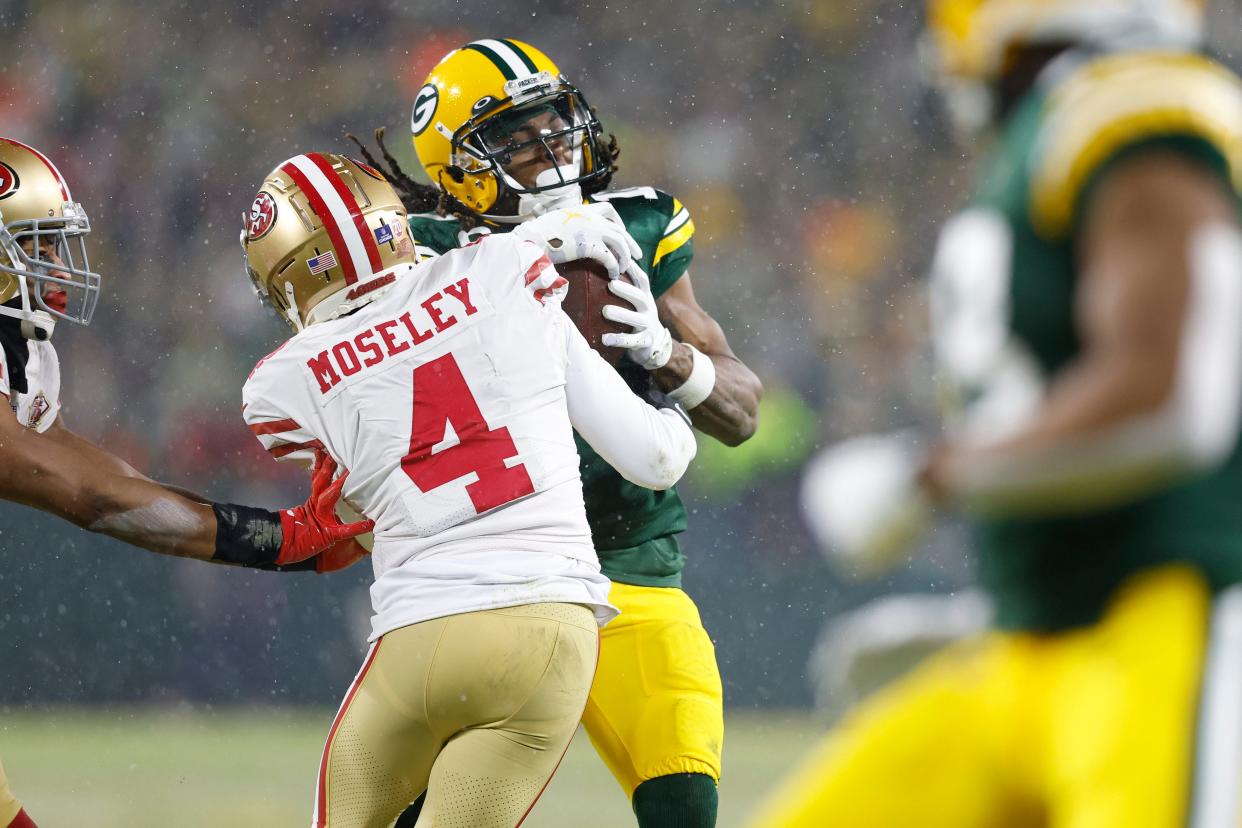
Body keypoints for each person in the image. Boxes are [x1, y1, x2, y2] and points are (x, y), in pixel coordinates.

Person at [750, 0, 1242, 825]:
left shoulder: (1136, 105)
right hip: (1043, 634)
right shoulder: (1061, 125)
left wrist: (932, 477)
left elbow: (1168, 404)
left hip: (1170, 618)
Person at [352, 38, 763, 828]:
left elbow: (742, 414)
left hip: (629, 564)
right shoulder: (414, 253)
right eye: (516, 136)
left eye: (555, 123)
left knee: (685, 798)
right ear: (458, 162)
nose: (551, 148)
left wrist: (665, 350)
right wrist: (500, 269)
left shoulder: (635, 228)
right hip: (483, 578)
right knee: (422, 813)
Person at [238, 150, 697, 827]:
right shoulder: (510, 270)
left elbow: (348, 503)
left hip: (422, 627)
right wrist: (672, 392)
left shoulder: (280, 382)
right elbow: (657, 459)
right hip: (553, 626)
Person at [0, 138, 372, 828]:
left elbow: (89, 476)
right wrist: (273, 540)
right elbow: (81, 492)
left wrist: (274, 535)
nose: (55, 266)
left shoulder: (23, 354)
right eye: (35, 246)